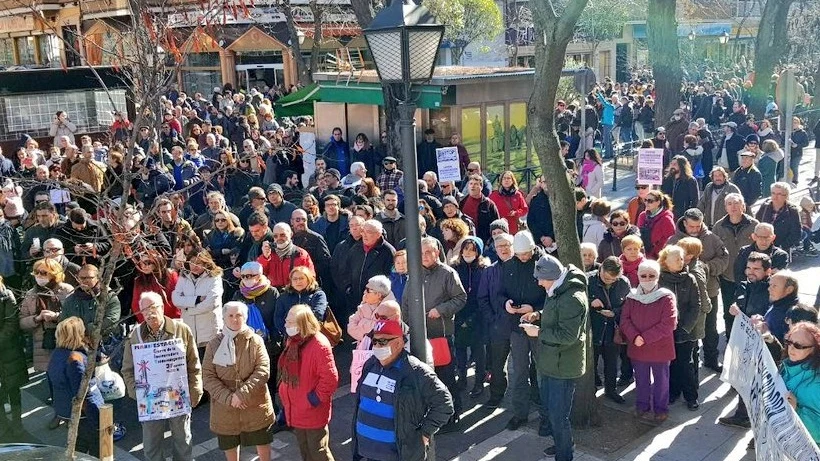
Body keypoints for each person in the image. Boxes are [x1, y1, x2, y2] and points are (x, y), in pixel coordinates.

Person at [351, 319, 454, 461]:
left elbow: (444, 403)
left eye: (383, 342)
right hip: (367, 453)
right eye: (374, 341)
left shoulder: (415, 371)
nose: (377, 346)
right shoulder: (370, 364)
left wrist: (424, 433)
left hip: (397, 455)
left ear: (399, 343)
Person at [520, 254, 588, 460]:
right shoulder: (557, 288)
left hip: (564, 366)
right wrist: (539, 315)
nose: (539, 283)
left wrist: (537, 332)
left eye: (540, 278)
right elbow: (555, 313)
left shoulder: (572, 299)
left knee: (559, 417)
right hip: (551, 361)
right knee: (551, 411)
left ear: (551, 276)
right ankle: (562, 444)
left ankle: (565, 454)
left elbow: (568, 336)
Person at [122, 292, 203, 461]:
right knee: (151, 445)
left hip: (178, 396)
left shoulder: (181, 330)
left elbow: (193, 364)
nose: (150, 313)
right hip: (150, 400)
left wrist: (195, 390)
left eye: (153, 307)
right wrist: (136, 393)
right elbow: (127, 369)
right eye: (145, 309)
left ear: (162, 307)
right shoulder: (135, 336)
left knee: (183, 442)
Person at [401, 236, 466, 429]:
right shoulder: (415, 273)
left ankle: (453, 414)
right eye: (422, 253)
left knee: (445, 376)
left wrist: (442, 309)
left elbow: (461, 298)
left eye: (429, 252)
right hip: (418, 334)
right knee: (425, 377)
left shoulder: (448, 273)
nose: (426, 256)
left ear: (437, 252)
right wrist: (405, 326)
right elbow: (405, 302)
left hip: (441, 334)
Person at [202, 301, 274, 461]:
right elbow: (207, 376)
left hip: (254, 402)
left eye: (239, 315)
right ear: (224, 318)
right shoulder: (214, 344)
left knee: (262, 441)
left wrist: (242, 394)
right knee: (230, 444)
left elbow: (262, 370)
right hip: (225, 407)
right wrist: (229, 398)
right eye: (230, 315)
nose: (235, 319)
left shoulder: (255, 340)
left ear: (245, 317)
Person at [668, 208, 729, 373]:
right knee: (687, 329)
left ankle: (711, 358)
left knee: (710, 327)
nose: (694, 230)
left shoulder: (711, 239)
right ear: (685, 224)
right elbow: (665, 262)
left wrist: (707, 268)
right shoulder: (673, 240)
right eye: (691, 227)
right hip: (682, 295)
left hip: (709, 290)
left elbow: (724, 258)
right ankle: (684, 363)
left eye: (698, 226)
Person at [278, 304, 339, 461]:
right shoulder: (293, 341)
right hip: (297, 408)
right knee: (306, 452)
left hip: (311, 409)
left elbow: (330, 379)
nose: (286, 325)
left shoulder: (318, 345)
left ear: (302, 324)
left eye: (290, 322)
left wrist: (314, 399)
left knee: (318, 452)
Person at [620, 260, 677, 422]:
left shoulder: (666, 297)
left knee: (661, 381)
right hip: (638, 346)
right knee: (641, 379)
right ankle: (642, 406)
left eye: (651, 275)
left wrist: (644, 338)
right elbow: (625, 320)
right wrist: (634, 337)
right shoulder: (632, 297)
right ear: (638, 276)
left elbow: (669, 323)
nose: (647, 278)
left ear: (658, 276)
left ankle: (661, 409)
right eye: (643, 275)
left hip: (659, 347)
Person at [500, 231, 547, 431]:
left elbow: (552, 295)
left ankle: (547, 414)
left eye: (526, 254)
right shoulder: (509, 265)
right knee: (519, 371)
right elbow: (500, 291)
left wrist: (535, 311)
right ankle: (520, 412)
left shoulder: (544, 264)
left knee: (543, 371)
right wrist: (506, 304)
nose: (523, 258)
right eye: (520, 255)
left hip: (538, 325)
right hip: (517, 326)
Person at [47, 317, 101, 455]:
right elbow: (82, 393)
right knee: (96, 448)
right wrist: (98, 415)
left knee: (78, 447)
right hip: (84, 415)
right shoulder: (74, 358)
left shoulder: (56, 354)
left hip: (65, 410)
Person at [658, 245, 702, 410]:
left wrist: (686, 328)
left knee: (685, 363)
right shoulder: (660, 279)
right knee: (671, 363)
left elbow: (695, 305)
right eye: (676, 259)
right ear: (666, 262)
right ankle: (673, 392)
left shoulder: (689, 279)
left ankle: (691, 396)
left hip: (685, 330)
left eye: (682, 258)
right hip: (667, 330)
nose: (680, 261)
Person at [587, 257, 631, 404]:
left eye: (613, 279)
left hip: (613, 330)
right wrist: (589, 302)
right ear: (601, 269)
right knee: (590, 364)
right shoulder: (589, 280)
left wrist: (615, 313)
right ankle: (590, 391)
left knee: (612, 363)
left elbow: (628, 306)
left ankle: (611, 390)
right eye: (606, 278)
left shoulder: (623, 283)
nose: (609, 281)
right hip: (594, 329)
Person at [452, 236, 490, 398]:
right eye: (466, 249)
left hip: (478, 315)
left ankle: (479, 382)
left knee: (478, 350)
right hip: (459, 314)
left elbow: (485, 294)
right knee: (460, 348)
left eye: (472, 250)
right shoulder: (454, 268)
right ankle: (461, 377)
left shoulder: (483, 269)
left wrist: (475, 316)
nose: (468, 252)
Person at [20, 258, 73, 372]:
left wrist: (56, 316)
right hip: (43, 346)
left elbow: (77, 316)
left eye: (44, 273)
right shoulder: (31, 294)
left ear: (54, 274)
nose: (39, 275)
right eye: (36, 272)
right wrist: (37, 318)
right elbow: (21, 322)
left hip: (67, 341)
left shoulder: (66, 290)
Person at [173, 250, 224, 355]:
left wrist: (188, 308)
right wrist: (196, 299)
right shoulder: (184, 277)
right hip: (189, 332)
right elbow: (176, 299)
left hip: (209, 333)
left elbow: (211, 303)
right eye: (192, 262)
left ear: (206, 263)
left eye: (198, 263)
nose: (194, 266)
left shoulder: (214, 278)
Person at [780, 321, 820, 444]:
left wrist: (796, 410)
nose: (791, 348)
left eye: (799, 345)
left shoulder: (816, 383)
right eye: (789, 342)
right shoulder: (786, 366)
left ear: (814, 349)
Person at [59, 264, 121, 334]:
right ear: (77, 278)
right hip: (79, 342)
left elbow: (112, 320)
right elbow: (64, 323)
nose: (85, 281)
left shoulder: (109, 296)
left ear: (98, 278)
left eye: (89, 278)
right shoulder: (70, 301)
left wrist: (86, 330)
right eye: (82, 278)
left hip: (106, 341)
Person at [0, 276, 25, 439]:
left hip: (9, 350)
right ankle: (3, 425)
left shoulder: (6, 295)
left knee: (13, 388)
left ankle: (17, 423)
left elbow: (11, 324)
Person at [254, 221, 315, 288]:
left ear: (291, 235)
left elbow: (311, 278)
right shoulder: (268, 254)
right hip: (273, 295)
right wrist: (265, 257)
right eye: (275, 236)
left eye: (282, 235)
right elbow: (257, 275)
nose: (279, 238)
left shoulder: (301, 254)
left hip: (294, 293)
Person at [274, 266, 328, 337]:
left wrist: (302, 331)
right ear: (291, 281)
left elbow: (318, 315)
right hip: (289, 336)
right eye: (295, 279)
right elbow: (278, 318)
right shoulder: (283, 297)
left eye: (301, 278)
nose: (298, 281)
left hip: (312, 334)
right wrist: (290, 332)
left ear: (308, 279)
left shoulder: (318, 295)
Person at [347, 275, 397, 342]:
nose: (364, 292)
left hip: (382, 350)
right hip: (363, 349)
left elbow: (382, 333)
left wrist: (362, 323)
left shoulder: (391, 309)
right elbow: (351, 327)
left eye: (368, 290)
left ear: (378, 295)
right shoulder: (366, 303)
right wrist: (367, 338)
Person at [755, 182, 802, 251]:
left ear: (786, 196)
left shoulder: (791, 211)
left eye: (779, 194)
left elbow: (796, 233)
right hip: (762, 246)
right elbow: (757, 224)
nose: (775, 196)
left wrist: (782, 246)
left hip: (780, 248)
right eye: (773, 193)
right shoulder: (765, 207)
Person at [459, 174, 500, 243]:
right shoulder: (462, 202)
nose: (472, 186)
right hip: (466, 241)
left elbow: (497, 224)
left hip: (484, 241)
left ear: (481, 187)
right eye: (471, 184)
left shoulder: (489, 204)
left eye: (476, 184)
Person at [636, 190, 676, 260]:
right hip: (642, 253)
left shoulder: (666, 219)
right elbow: (637, 234)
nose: (647, 203)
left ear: (658, 202)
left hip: (658, 256)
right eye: (645, 200)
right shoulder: (642, 216)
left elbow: (671, 239)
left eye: (650, 201)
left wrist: (655, 252)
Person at [489, 171, 529, 235]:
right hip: (499, 228)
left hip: (514, 228)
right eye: (504, 178)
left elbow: (525, 209)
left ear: (512, 180)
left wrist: (516, 213)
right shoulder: (494, 195)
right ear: (501, 181)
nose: (506, 180)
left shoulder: (518, 194)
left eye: (508, 178)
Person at [661, 155, 699, 222]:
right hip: (667, 213)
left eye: (675, 164)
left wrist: (690, 214)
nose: (672, 166)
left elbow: (695, 200)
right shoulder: (667, 179)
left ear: (682, 166)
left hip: (682, 214)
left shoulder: (690, 180)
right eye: (671, 164)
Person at [788, 117, 809, 185]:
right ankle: (789, 179)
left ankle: (795, 180)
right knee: (788, 166)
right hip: (788, 152)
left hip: (797, 153)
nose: (794, 124)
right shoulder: (788, 131)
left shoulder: (802, 132)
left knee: (794, 166)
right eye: (792, 123)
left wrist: (797, 145)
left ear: (798, 123)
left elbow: (806, 143)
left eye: (795, 123)